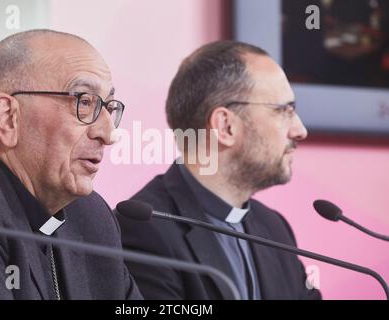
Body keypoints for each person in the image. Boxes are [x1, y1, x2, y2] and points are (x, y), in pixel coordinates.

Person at [0, 29, 141, 300]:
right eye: (84, 102)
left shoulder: (93, 217)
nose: (108, 133)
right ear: (9, 117)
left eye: (108, 107)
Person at [118, 40, 322, 300]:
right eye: (284, 111)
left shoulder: (274, 227)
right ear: (225, 126)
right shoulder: (144, 229)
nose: (300, 130)